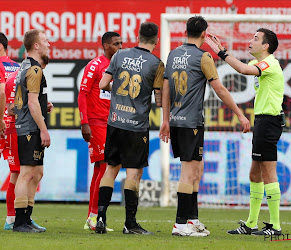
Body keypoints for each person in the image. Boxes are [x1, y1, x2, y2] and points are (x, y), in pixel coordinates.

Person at [159, 16, 250, 237]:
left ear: (185, 31)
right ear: (204, 34)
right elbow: (220, 90)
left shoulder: (173, 54)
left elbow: (166, 88)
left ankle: (192, 219)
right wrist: (240, 114)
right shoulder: (204, 57)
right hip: (191, 123)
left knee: (196, 170)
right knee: (188, 174)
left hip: (178, 121)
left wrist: (165, 119)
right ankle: (180, 225)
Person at [206, 28, 284, 236]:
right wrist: (222, 50)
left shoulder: (270, 64)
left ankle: (275, 226)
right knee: (254, 173)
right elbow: (242, 66)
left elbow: (242, 69)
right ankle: (251, 224)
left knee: (268, 173)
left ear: (266, 46)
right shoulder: (258, 63)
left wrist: (221, 53)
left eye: (256, 39)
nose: (251, 41)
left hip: (269, 122)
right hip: (262, 122)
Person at [95, 22, 164, 235]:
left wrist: (118, 92)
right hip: (136, 125)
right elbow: (159, 100)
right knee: (133, 172)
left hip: (115, 121)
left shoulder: (119, 55)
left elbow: (102, 84)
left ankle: (100, 217)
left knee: (111, 168)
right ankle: (130, 224)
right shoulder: (156, 63)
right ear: (157, 40)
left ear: (138, 36)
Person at [78, 32, 122, 231]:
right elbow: (83, 93)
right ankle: (94, 217)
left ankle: (92, 217)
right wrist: (84, 122)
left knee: (100, 169)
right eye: (115, 44)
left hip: (112, 122)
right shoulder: (95, 65)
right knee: (104, 168)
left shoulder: (117, 67)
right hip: (96, 123)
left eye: (121, 43)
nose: (119, 47)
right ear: (105, 45)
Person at [13, 29, 51, 233]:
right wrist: (44, 129)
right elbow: (32, 102)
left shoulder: (25, 65)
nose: (49, 44)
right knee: (27, 173)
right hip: (30, 127)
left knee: (37, 172)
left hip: (26, 123)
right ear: (35, 45)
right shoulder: (35, 69)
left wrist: (46, 105)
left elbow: (27, 97)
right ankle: (20, 222)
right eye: (45, 41)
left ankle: (26, 219)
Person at [0, 32, 21, 230]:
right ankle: (11, 219)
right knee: (17, 172)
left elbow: (0, 92)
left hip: (2, 122)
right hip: (14, 124)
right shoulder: (17, 67)